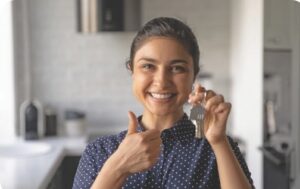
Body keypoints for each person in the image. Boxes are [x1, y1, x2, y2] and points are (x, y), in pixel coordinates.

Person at [72, 17, 254, 189]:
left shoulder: (216, 148)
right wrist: (117, 167)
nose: (161, 81)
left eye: (177, 68)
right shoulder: (99, 152)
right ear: (132, 71)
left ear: (194, 75)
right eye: (148, 66)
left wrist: (219, 141)